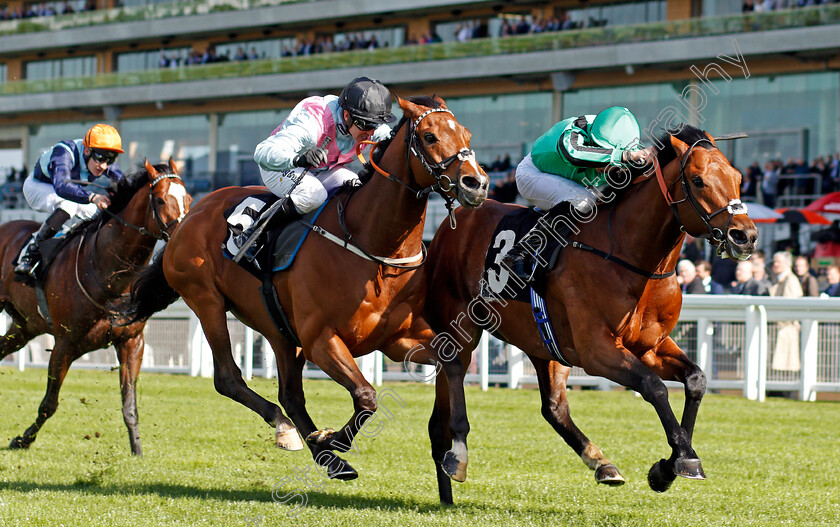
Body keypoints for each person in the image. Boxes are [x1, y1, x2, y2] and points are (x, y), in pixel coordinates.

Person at [244, 76, 395, 261]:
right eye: (365, 125)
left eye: (375, 125)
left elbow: (393, 142)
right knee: (313, 194)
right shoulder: (313, 121)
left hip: (322, 170)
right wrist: (299, 158)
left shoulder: (365, 123)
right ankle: (255, 234)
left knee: (356, 186)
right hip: (280, 168)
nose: (371, 132)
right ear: (347, 115)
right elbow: (262, 153)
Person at [502, 106, 654, 281]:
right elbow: (574, 154)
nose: (606, 164)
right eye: (600, 148)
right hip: (533, 173)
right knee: (583, 200)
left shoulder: (628, 144)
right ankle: (520, 253)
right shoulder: (574, 130)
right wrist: (625, 156)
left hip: (572, 180)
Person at [15, 124, 125, 276]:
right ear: (87, 150)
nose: (104, 166)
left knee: (99, 213)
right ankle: (30, 253)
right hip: (37, 187)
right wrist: (93, 197)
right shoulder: (64, 152)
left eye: (110, 160)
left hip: (65, 192)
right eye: (100, 158)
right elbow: (62, 187)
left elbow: (125, 183)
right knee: (69, 205)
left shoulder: (100, 158)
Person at [770, 251, 803, 372]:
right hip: (781, 329)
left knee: (786, 367)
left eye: (777, 261)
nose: (775, 264)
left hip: (786, 329)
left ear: (787, 264)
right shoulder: (782, 280)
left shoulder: (790, 281)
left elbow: (791, 307)